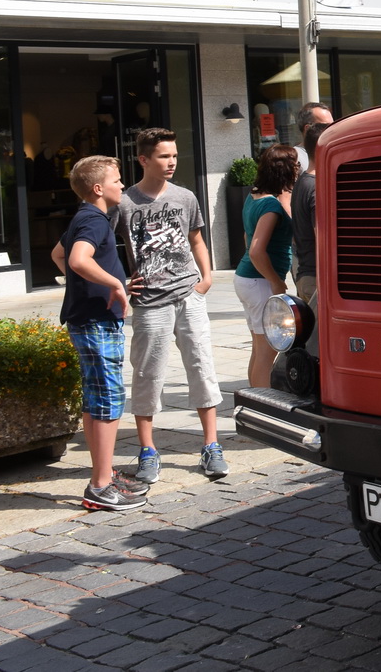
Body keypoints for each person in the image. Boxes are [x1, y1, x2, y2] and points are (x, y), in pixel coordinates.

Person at [118, 128, 227, 485]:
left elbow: (197, 238)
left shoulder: (185, 197)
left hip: (188, 295)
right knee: (148, 376)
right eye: (164, 156)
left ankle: (211, 445)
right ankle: (148, 450)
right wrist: (119, 283)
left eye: (175, 155)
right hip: (150, 303)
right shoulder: (125, 202)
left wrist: (205, 278)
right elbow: (95, 246)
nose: (172, 162)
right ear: (144, 159)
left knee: (201, 367)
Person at [60, 155, 151, 512]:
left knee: (96, 399)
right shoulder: (94, 220)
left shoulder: (86, 217)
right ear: (98, 189)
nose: (122, 186)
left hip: (91, 317)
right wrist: (114, 283)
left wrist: (100, 285)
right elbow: (77, 259)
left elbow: (58, 253)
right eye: (116, 181)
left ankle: (103, 474)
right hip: (96, 322)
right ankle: (99, 486)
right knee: (108, 400)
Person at [234, 144, 298, 389]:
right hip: (259, 281)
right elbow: (256, 249)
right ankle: (262, 402)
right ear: (285, 170)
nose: (298, 169)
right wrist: (275, 280)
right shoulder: (271, 206)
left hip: (247, 278)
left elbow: (247, 238)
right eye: (295, 165)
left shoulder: (254, 195)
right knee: (267, 350)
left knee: (258, 346)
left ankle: (253, 397)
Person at [291, 121, 326, 307]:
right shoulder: (315, 187)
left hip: (307, 274)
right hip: (317, 279)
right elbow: (321, 239)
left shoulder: (302, 182)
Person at [294, 102, 333, 173]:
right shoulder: (295, 158)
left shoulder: (333, 152)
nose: (331, 129)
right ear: (307, 129)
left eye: (332, 125)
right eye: (325, 126)